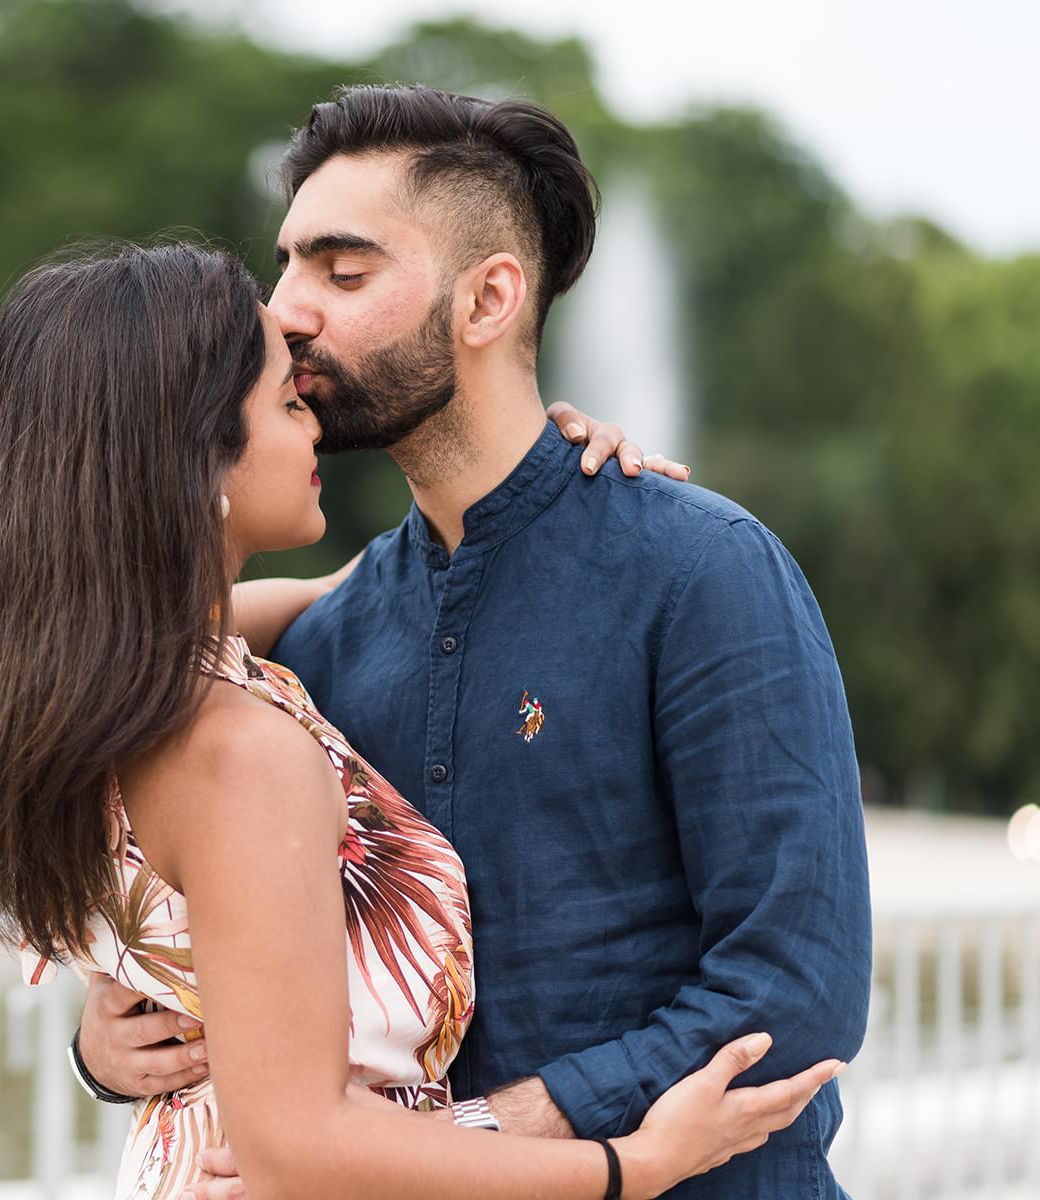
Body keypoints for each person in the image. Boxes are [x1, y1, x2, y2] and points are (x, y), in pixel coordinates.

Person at [73, 86, 873, 1198]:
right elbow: (90, 667)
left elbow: (794, 990)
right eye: (288, 263)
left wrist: (492, 1132)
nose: (287, 310)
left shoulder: (702, 571)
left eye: (342, 273)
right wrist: (114, 1040)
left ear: (490, 299)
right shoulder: (326, 640)